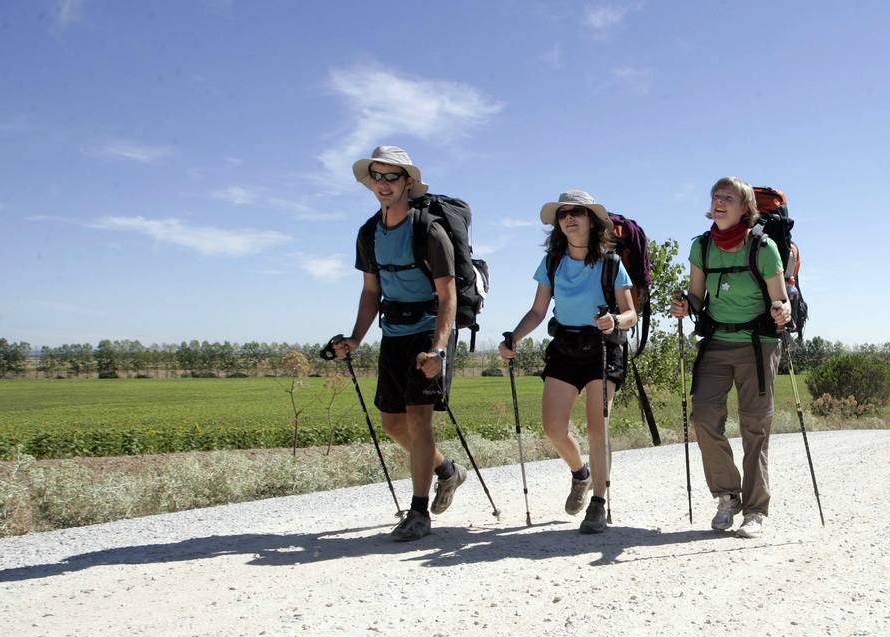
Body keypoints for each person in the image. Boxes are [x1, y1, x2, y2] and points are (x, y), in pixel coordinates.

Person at [330, 146, 467, 542]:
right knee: (393, 423)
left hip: (429, 331)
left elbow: (448, 295)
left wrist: (439, 348)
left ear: (408, 181)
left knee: (419, 419)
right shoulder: (369, 233)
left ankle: (419, 512)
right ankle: (447, 471)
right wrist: (356, 337)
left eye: (392, 176)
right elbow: (371, 291)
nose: (384, 184)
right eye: (377, 176)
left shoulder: (429, 229)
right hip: (393, 332)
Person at [498, 190, 636, 535]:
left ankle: (599, 504)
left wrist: (616, 322)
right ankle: (581, 474)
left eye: (577, 212)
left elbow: (631, 312)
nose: (569, 218)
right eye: (563, 214)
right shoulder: (552, 263)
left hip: (602, 347)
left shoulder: (611, 263)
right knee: (553, 428)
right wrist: (514, 337)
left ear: (592, 220)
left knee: (596, 426)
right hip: (565, 346)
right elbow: (537, 311)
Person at [670, 176, 791, 539]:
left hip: (758, 344)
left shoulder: (764, 247)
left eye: (728, 197)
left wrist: (782, 312)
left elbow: (780, 298)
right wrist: (683, 305)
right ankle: (727, 496)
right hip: (717, 342)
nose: (719, 202)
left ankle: (755, 511)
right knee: (704, 417)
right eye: (715, 196)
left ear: (744, 208)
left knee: (755, 427)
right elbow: (696, 296)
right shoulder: (701, 247)